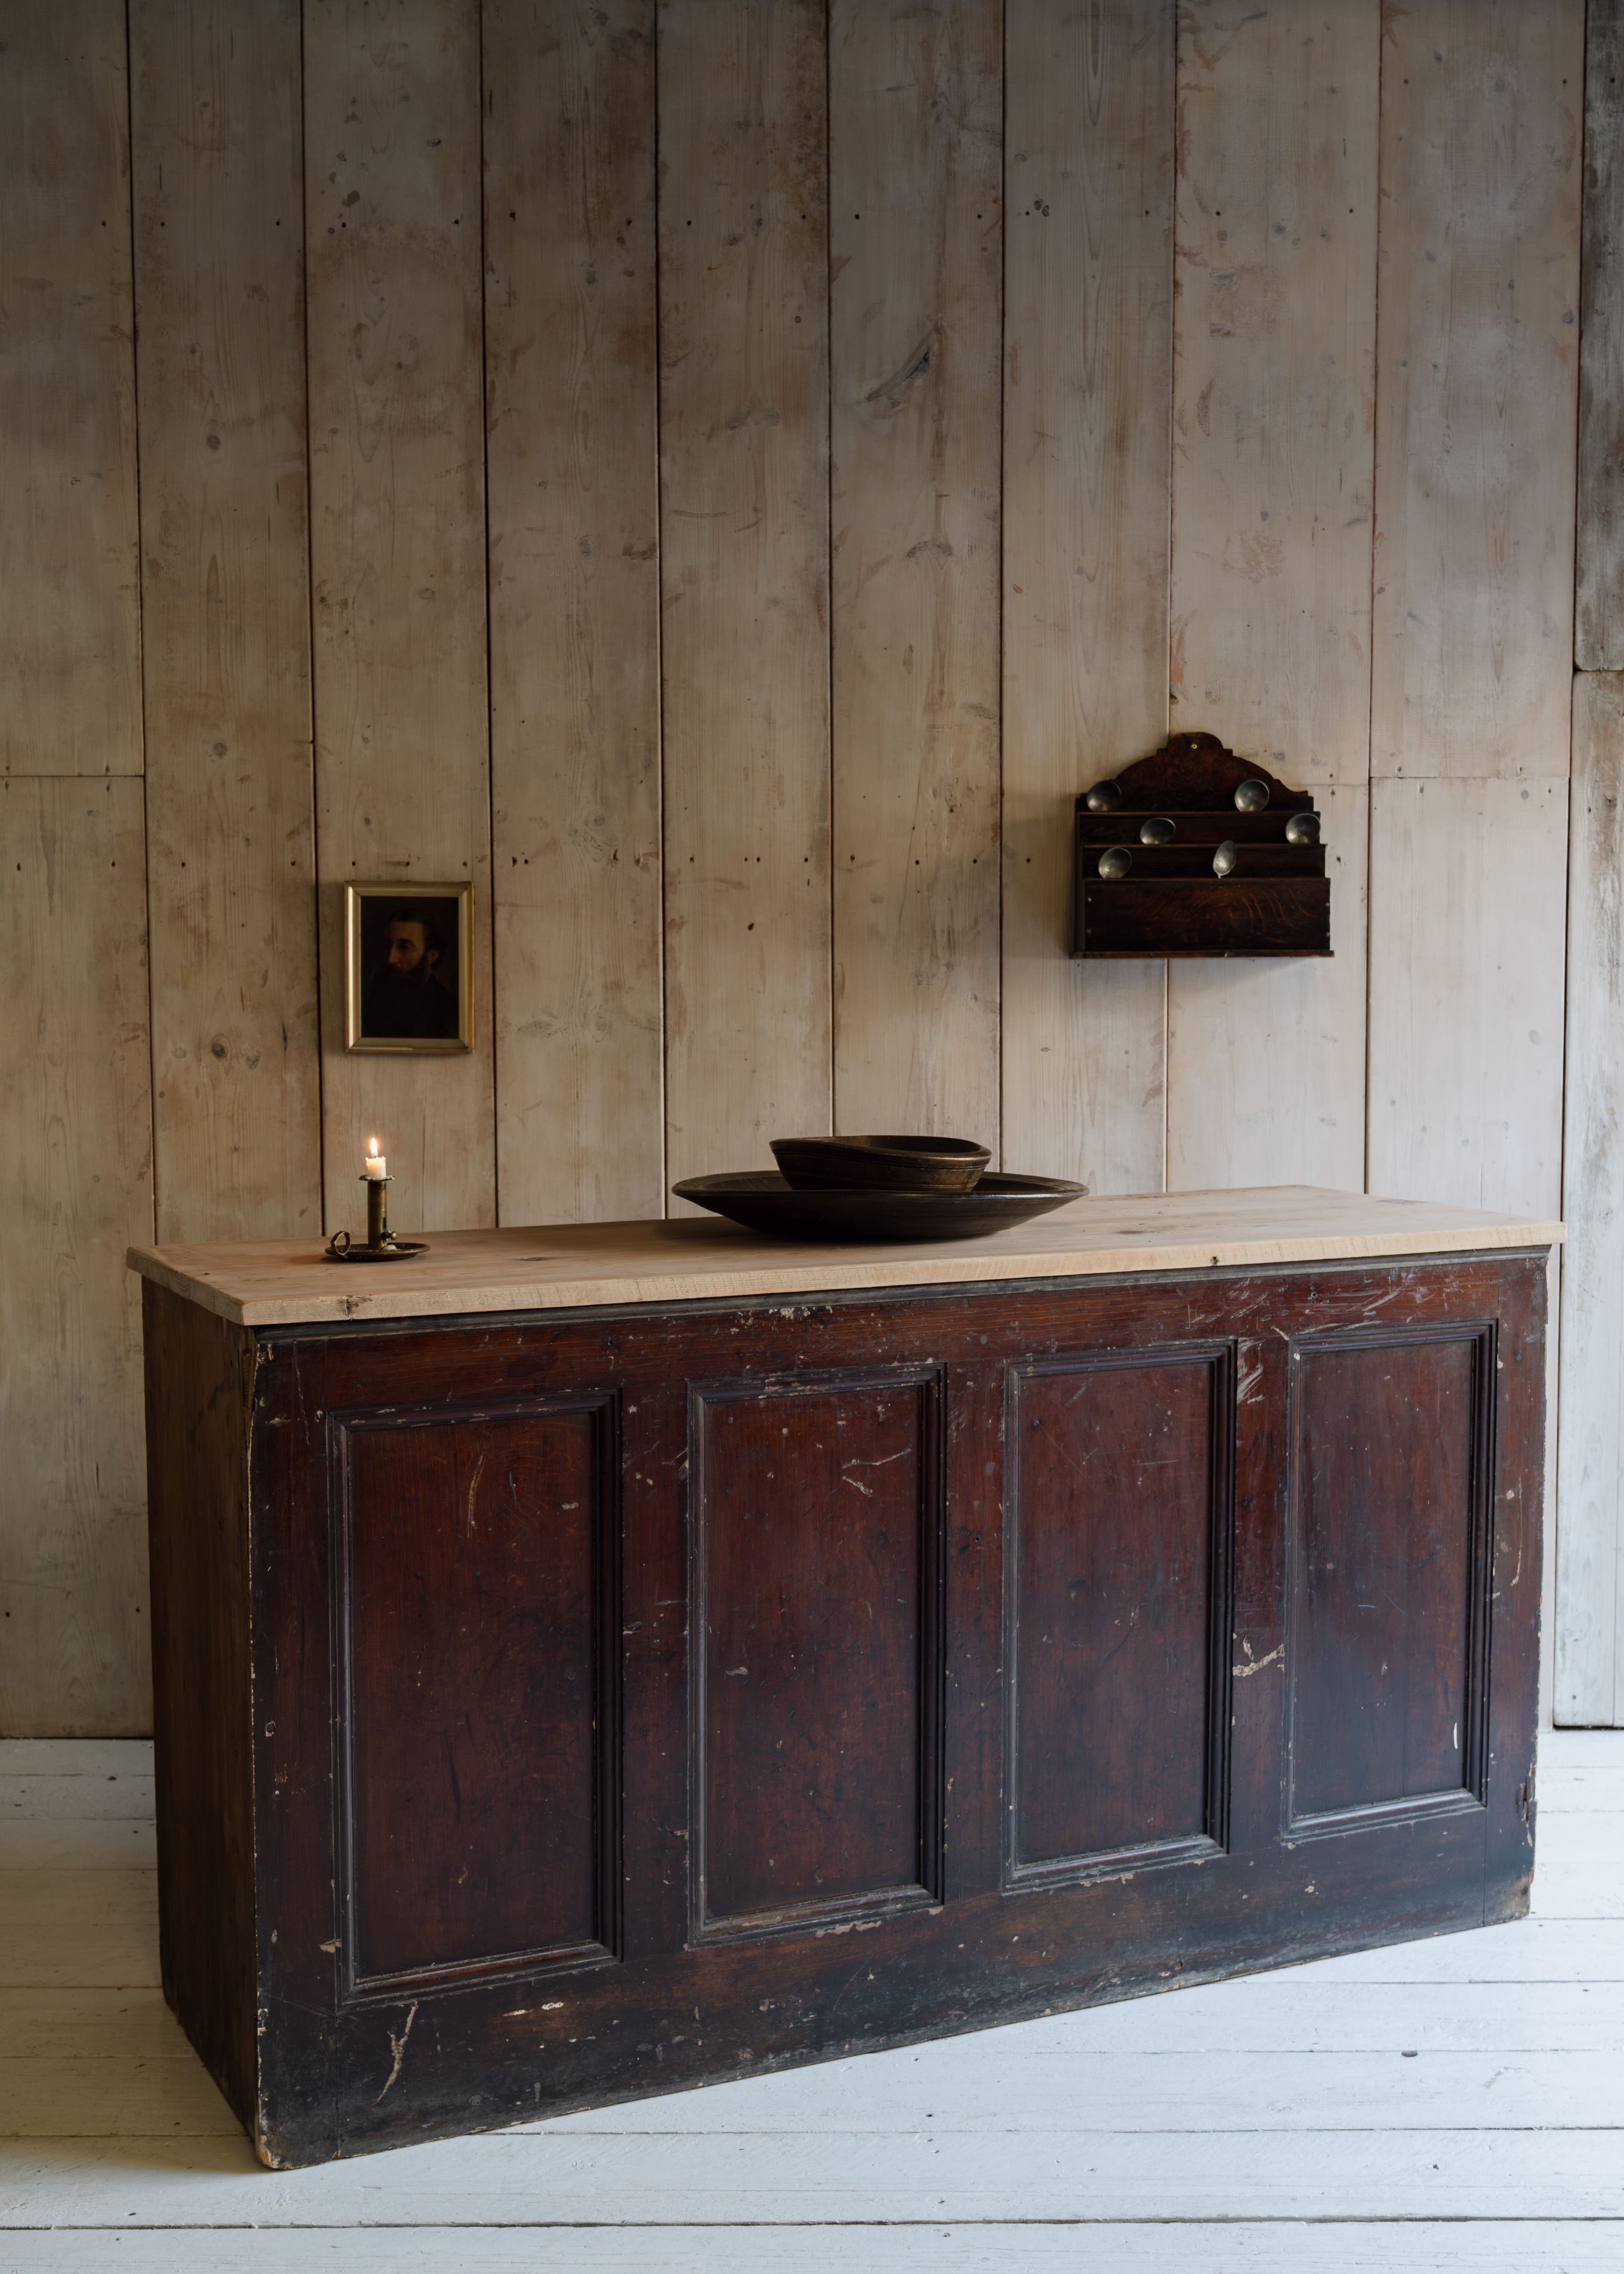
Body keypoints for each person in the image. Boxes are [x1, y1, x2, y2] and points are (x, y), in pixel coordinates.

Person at [362, 906, 459, 1040]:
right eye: (387, 946)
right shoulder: (371, 1007)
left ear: (432, 955)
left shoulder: (450, 1011)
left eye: (404, 948)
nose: (391, 959)